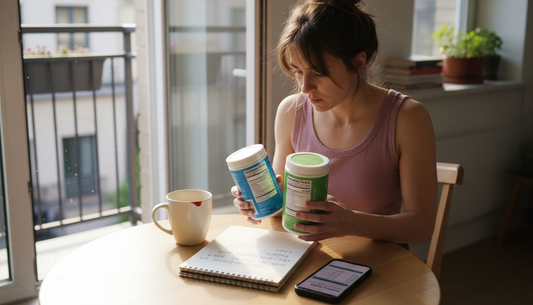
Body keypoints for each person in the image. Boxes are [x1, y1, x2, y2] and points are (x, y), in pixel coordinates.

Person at [231, 0, 437, 245]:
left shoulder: (407, 118)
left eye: (318, 72)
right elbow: (283, 210)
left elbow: (422, 227)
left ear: (358, 63)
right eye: (298, 71)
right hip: (307, 257)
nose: (305, 87)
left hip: (379, 267)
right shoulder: (291, 111)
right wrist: (260, 200)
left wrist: (352, 223)